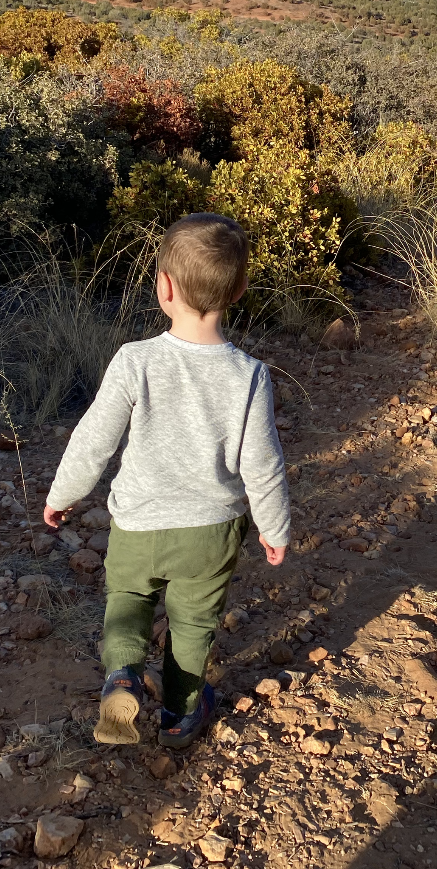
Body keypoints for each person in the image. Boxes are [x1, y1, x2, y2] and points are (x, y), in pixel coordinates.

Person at [43, 212, 290, 748]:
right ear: (241, 289)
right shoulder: (248, 374)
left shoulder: (136, 361)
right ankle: (179, 715)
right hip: (211, 530)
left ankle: (123, 674)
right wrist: (274, 528)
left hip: (138, 524)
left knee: (127, 598)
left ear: (165, 287)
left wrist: (62, 495)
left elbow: (93, 440)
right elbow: (263, 464)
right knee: (194, 624)